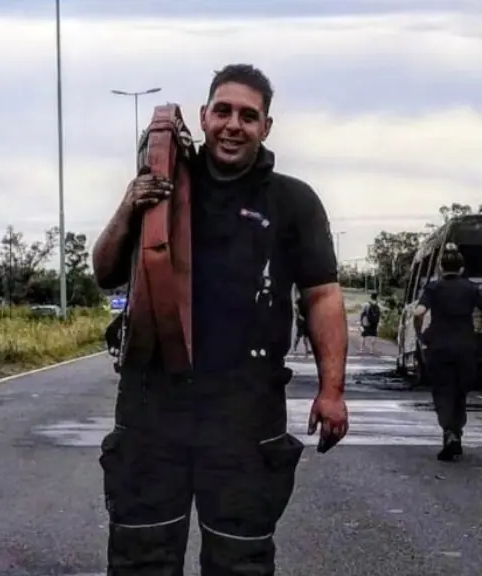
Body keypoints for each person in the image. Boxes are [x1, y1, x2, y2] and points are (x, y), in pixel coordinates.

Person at [92, 63, 349, 575]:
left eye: (249, 116)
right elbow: (104, 272)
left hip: (244, 411)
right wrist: (128, 204)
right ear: (205, 116)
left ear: (266, 128)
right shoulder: (160, 189)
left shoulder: (292, 201)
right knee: (140, 558)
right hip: (153, 405)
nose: (234, 125)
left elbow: (321, 296)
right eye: (224, 111)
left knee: (241, 560)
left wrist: (332, 390)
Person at [411, 243, 482, 462]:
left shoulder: (433, 288)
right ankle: (456, 435)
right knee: (460, 393)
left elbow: (418, 312)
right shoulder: (470, 288)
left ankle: (449, 433)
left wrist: (419, 333)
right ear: (461, 269)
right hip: (466, 347)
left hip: (439, 348)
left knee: (443, 392)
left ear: (441, 268)